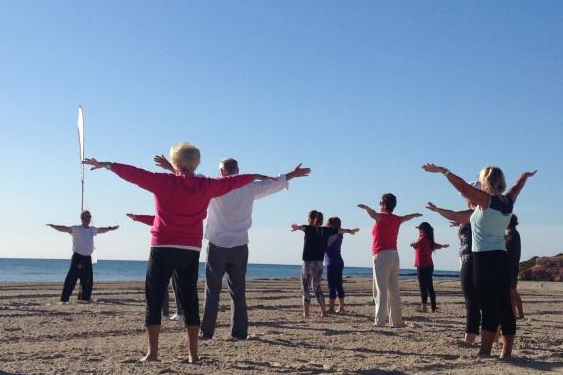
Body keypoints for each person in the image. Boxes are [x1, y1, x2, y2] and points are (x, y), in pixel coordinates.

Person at [82, 144, 305, 363]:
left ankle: (154, 353)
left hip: (166, 245)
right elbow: (236, 182)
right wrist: (261, 175)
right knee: (194, 297)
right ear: (197, 163)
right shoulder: (208, 185)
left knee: (157, 296)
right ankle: (194, 353)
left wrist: (107, 164)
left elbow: (135, 174)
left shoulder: (165, 181)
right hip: (197, 248)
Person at [423, 164, 537, 359]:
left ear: (486, 181)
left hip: (484, 259)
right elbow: (517, 187)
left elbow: (463, 188)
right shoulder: (508, 201)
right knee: (503, 304)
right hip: (502, 258)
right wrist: (524, 177)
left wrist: (445, 172)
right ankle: (506, 351)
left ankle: (485, 351)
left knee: (488, 305)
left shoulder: (486, 201)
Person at [191, 156, 307, 339]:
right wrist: (293, 174)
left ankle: (207, 332)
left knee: (212, 291)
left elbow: (191, 176)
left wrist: (171, 166)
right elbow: (272, 183)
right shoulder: (248, 187)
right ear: (238, 170)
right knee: (238, 291)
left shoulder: (213, 185)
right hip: (240, 244)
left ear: (222, 172)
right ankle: (239, 333)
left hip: (218, 244)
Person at [357, 193, 421, 328]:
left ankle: (380, 321)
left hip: (382, 255)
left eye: (381, 203)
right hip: (394, 255)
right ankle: (396, 321)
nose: (379, 205)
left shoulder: (382, 217)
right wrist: (414, 215)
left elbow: (373, 213)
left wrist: (365, 207)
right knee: (393, 289)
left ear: (384, 204)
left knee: (380, 290)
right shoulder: (396, 219)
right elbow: (406, 217)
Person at [291, 211, 358, 317]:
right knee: (317, 287)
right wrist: (350, 231)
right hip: (319, 263)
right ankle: (323, 312)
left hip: (307, 262)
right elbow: (340, 230)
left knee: (306, 287)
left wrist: (296, 227)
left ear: (311, 219)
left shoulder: (308, 228)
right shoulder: (326, 230)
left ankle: (306, 313)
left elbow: (301, 227)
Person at [46, 211, 119, 304]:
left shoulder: (92, 229)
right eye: (87, 216)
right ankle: (64, 299)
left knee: (88, 280)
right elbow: (64, 228)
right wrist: (53, 226)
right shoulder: (76, 228)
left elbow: (101, 230)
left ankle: (85, 298)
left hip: (88, 258)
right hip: (78, 257)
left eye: (90, 217)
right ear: (82, 218)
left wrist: (110, 228)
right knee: (71, 279)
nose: (89, 218)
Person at [126, 213, 182, 319]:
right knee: (173, 284)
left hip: (166, 249)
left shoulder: (170, 213)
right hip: (178, 249)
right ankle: (172, 313)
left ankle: (170, 313)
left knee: (167, 284)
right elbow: (155, 220)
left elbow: (155, 220)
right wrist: (137, 218)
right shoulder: (177, 213)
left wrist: (137, 218)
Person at [410, 222, 448, 312]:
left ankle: (424, 306)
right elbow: (435, 245)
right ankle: (433, 307)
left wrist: (413, 245)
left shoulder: (423, 238)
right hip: (429, 266)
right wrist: (442, 246)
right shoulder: (428, 239)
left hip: (422, 266)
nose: (419, 230)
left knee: (423, 287)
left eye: (420, 229)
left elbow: (417, 245)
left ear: (423, 230)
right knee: (429, 287)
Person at [323, 216, 358, 314]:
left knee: (331, 285)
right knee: (339, 285)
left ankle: (331, 308)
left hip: (331, 262)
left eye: (327, 223)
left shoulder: (330, 234)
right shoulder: (340, 234)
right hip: (339, 261)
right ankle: (341, 307)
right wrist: (349, 231)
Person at [505, 214, 523, 320]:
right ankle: (520, 313)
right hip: (514, 265)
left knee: (510, 291)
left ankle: (513, 314)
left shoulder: (512, 232)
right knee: (513, 290)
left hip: (510, 265)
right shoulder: (515, 232)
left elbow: (506, 238)